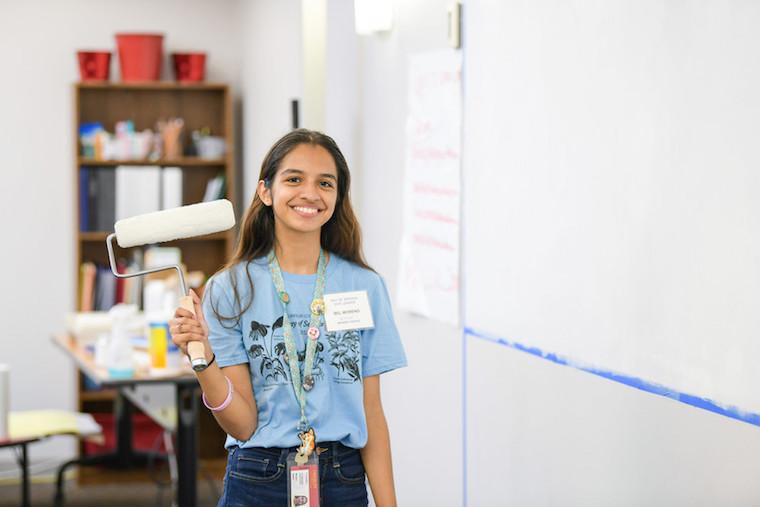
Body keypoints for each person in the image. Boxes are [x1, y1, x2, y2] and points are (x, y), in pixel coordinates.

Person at [169, 129, 407, 506]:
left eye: (325, 183)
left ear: (338, 196)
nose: (310, 193)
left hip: (342, 479)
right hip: (256, 477)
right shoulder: (230, 288)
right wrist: (202, 358)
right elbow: (242, 425)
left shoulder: (364, 286)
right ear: (266, 191)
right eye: (294, 179)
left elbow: (371, 413)